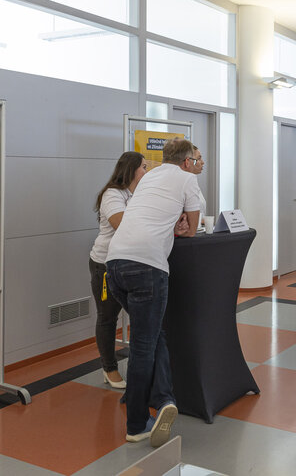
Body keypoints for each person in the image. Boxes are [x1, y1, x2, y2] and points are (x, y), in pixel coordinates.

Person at [105, 139, 200, 447]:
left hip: (115, 264)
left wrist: (174, 222)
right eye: (196, 160)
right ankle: (136, 423)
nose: (198, 165)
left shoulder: (150, 177)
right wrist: (183, 225)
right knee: (144, 346)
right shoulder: (187, 179)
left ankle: (163, 399)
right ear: (186, 162)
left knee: (153, 334)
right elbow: (192, 228)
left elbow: (149, 215)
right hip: (147, 267)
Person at [89, 151, 148, 390]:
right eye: (144, 167)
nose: (147, 171)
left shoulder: (138, 194)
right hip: (105, 264)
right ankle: (109, 368)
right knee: (107, 318)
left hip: (131, 263)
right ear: (131, 169)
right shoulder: (112, 194)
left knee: (141, 317)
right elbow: (121, 225)